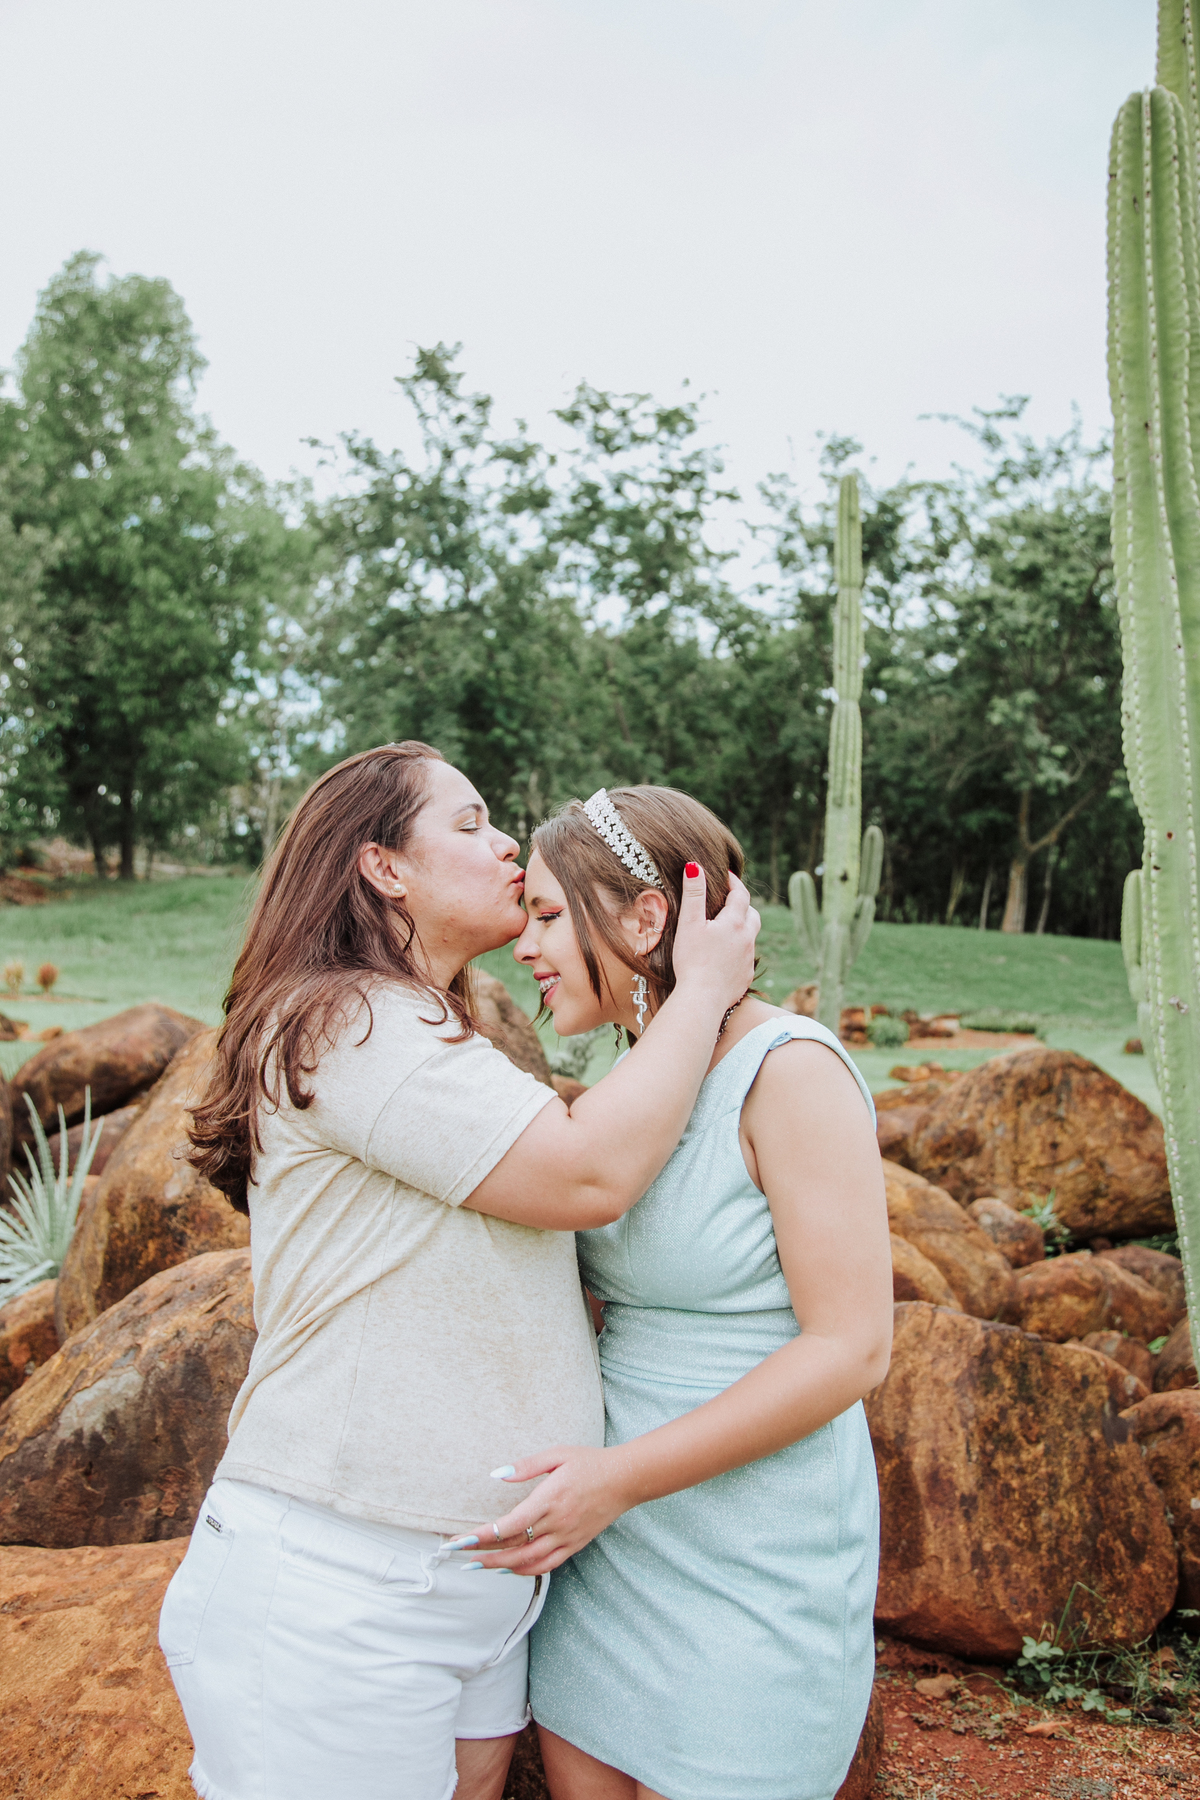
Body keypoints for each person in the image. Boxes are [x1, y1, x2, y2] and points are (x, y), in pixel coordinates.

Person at [159, 743, 758, 1800]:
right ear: (385, 867)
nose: (509, 847)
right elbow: (586, 1177)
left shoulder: (433, 1029)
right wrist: (703, 990)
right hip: (344, 1581)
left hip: (469, 1581)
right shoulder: (345, 1019)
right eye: (471, 823)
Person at [465, 784, 892, 1800]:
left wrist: (619, 1480)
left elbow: (853, 1348)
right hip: (607, 1554)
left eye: (549, 916)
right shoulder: (634, 1085)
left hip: (752, 1550)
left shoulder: (791, 1072)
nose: (524, 946)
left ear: (647, 916)